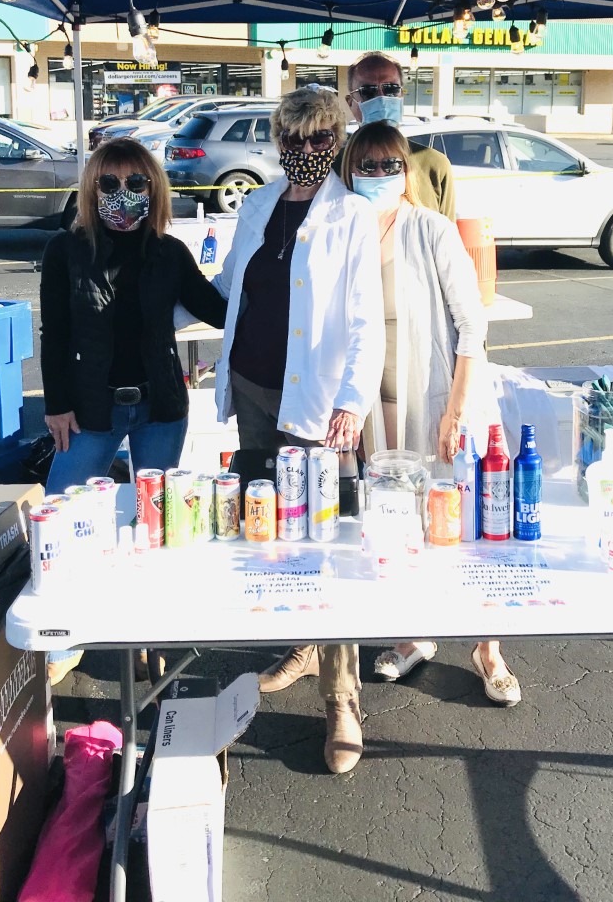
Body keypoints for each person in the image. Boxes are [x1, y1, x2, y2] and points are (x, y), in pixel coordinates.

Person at [212, 86, 385, 773]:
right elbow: (230, 287)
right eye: (293, 140)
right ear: (277, 142)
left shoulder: (353, 217)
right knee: (271, 529)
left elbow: (367, 319)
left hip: (314, 400)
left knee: (329, 542)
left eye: (318, 140)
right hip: (255, 389)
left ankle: (342, 699)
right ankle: (302, 643)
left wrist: (353, 400)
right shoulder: (257, 202)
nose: (305, 152)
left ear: (336, 141)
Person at [344, 120, 522, 707]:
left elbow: (473, 326)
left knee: (463, 523)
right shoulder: (341, 232)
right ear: (348, 171)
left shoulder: (432, 229)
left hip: (442, 397)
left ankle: (488, 648)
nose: (377, 176)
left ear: (405, 171)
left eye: (388, 165)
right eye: (365, 166)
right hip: (379, 405)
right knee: (401, 519)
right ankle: (414, 634)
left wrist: (455, 413)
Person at [40, 137, 227, 680]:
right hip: (90, 410)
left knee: (156, 526)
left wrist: (269, 277)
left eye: (137, 183)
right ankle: (62, 642)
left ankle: (150, 633)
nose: (123, 193)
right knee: (63, 515)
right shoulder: (65, 250)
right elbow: (54, 334)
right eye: (110, 183)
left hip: (160, 407)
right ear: (91, 187)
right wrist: (56, 406)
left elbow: (217, 310)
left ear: (155, 188)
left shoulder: (168, 252)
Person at [337, 51, 456, 220]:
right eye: (368, 92)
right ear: (350, 102)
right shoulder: (333, 166)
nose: (382, 98)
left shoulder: (435, 166)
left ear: (402, 96)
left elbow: (447, 239)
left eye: (391, 89)